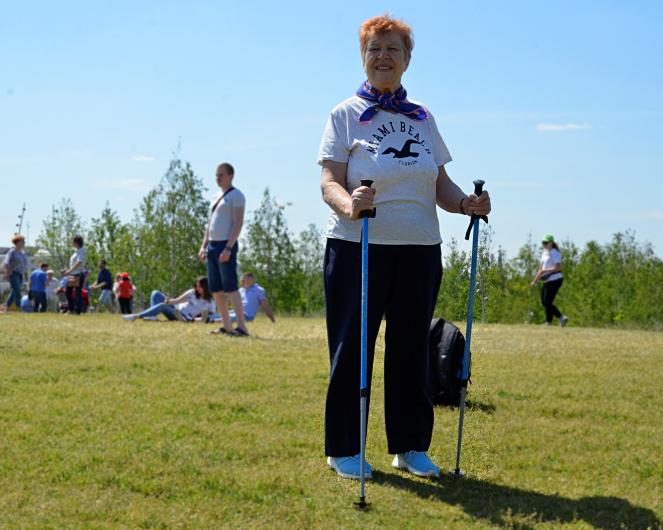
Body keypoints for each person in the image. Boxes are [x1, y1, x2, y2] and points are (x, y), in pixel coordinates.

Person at [317, 15, 492, 480]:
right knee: (353, 350)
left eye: (392, 49)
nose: (383, 57)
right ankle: (344, 448)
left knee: (412, 348)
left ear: (407, 59)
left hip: (419, 248)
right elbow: (329, 180)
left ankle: (410, 446)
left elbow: (440, 184)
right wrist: (349, 204)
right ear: (363, 57)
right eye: (374, 49)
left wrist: (467, 205)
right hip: (359, 245)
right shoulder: (345, 114)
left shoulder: (422, 117)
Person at [198, 163, 249, 337]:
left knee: (230, 287)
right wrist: (204, 245)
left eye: (221, 175)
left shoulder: (237, 196)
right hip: (212, 245)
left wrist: (228, 247)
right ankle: (226, 325)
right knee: (216, 289)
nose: (218, 178)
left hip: (225, 245)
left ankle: (241, 326)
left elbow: (238, 222)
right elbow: (209, 224)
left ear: (230, 176)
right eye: (216, 175)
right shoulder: (215, 197)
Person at [124, 276, 215, 322]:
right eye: (196, 286)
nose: (197, 288)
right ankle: (153, 317)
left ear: (206, 287)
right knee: (155, 293)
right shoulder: (192, 292)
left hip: (182, 316)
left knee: (162, 306)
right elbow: (176, 301)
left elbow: (210, 316)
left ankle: (136, 316)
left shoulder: (210, 301)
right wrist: (169, 301)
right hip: (176, 307)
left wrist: (194, 319)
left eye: (200, 287)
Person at [530, 234, 568, 327]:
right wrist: (534, 281)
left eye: (546, 242)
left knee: (547, 302)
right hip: (548, 280)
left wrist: (545, 271)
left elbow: (558, 268)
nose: (544, 244)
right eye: (543, 243)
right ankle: (553, 321)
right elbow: (540, 269)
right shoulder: (544, 253)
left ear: (551, 243)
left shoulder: (554, 252)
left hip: (556, 279)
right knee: (544, 302)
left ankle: (557, 319)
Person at [211, 272, 276, 324]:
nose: (241, 281)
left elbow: (265, 306)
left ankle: (212, 321)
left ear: (251, 279)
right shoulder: (240, 290)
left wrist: (273, 320)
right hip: (235, 311)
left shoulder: (259, 290)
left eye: (243, 279)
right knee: (220, 315)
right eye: (241, 280)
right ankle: (208, 318)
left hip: (246, 315)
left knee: (229, 317)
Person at [0, 234, 28, 312]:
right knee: (18, 291)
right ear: (17, 242)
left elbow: (25, 265)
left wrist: (26, 275)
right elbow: (6, 263)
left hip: (20, 274)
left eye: (23, 242)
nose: (23, 243)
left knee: (14, 292)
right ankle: (19, 308)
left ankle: (7, 307)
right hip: (13, 273)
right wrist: (8, 272)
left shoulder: (23, 253)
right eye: (21, 241)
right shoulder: (12, 251)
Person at [62, 235, 87, 315]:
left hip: (77, 275)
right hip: (73, 274)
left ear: (76, 242)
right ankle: (72, 309)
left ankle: (76, 310)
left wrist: (69, 271)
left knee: (76, 293)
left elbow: (79, 262)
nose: (71, 243)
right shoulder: (78, 251)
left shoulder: (81, 251)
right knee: (69, 292)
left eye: (72, 241)